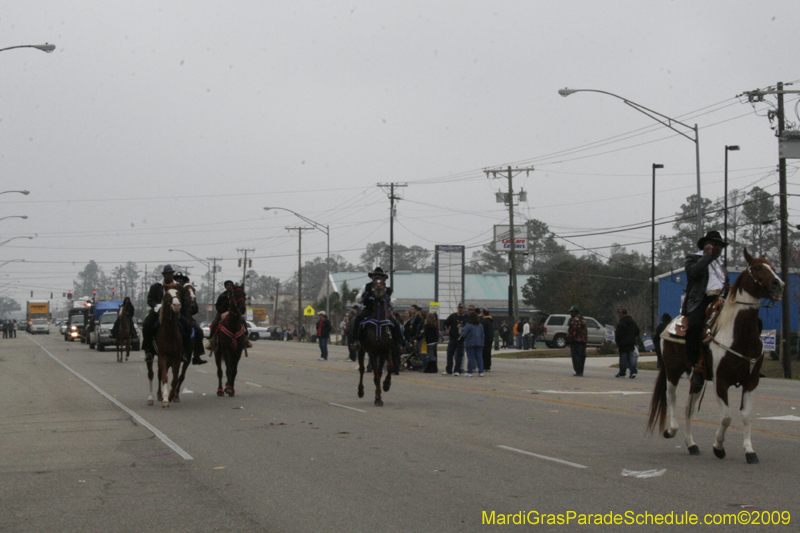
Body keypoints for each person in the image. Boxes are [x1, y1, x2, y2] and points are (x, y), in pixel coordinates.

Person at [682, 230, 728, 387]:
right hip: (701, 300)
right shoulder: (694, 258)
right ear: (706, 245)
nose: (718, 249)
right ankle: (695, 367)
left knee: (750, 320)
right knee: (694, 327)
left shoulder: (721, 265)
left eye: (720, 246)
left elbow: (725, 284)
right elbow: (693, 273)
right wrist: (707, 257)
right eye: (715, 245)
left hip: (721, 300)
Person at [348, 267, 405, 372]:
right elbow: (358, 299)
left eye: (380, 275)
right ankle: (356, 340)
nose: (377, 277)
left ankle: (400, 344)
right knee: (358, 318)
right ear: (372, 277)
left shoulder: (387, 288)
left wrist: (388, 299)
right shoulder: (366, 286)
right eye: (376, 275)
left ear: (384, 277)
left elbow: (393, 301)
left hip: (383, 310)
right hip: (370, 309)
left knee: (395, 323)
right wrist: (363, 296)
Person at [141, 265, 184, 362]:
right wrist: (157, 306)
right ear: (164, 275)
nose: (169, 276)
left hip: (175, 312)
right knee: (147, 325)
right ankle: (149, 351)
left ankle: (183, 351)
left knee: (188, 327)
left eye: (171, 274)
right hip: (158, 312)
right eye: (167, 274)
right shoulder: (156, 286)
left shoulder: (178, 287)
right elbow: (150, 300)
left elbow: (183, 299)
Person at [173, 272, 208, 365]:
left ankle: (197, 355)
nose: (179, 282)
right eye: (177, 280)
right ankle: (151, 350)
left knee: (199, 331)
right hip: (173, 316)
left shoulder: (187, 293)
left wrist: (192, 304)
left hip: (186, 317)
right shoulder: (172, 290)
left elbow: (194, 310)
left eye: (181, 281)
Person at [442, 303, 467, 375]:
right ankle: (448, 370)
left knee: (459, 355)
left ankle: (457, 370)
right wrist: (447, 329)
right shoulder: (453, 316)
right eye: (459, 308)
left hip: (461, 339)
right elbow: (445, 323)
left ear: (464, 309)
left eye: (462, 308)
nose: (460, 310)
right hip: (453, 338)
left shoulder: (466, 317)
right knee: (450, 354)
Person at [615, 309, 640, 378]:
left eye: (620, 313)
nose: (619, 315)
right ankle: (633, 371)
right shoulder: (633, 322)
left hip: (623, 344)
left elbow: (618, 335)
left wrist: (618, 343)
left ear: (622, 314)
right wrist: (632, 337)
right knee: (632, 358)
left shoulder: (621, 323)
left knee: (623, 358)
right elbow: (637, 330)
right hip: (631, 343)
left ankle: (622, 372)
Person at [461, 311, 485, 377]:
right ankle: (481, 372)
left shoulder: (468, 325)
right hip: (479, 343)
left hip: (470, 343)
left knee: (471, 358)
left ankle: (470, 372)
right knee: (479, 358)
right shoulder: (480, 325)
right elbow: (483, 334)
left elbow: (463, 334)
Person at [566, 306, 588, 377]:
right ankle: (581, 371)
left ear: (576, 312)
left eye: (572, 312)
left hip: (576, 341)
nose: (571, 313)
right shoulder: (583, 319)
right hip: (583, 340)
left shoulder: (575, 320)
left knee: (576, 356)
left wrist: (569, 338)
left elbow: (573, 331)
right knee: (582, 356)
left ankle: (578, 371)